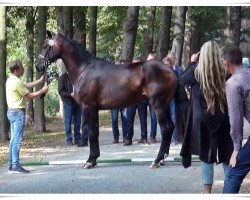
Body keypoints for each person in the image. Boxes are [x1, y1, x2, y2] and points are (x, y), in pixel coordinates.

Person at [179, 41, 233, 193]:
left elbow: (181, 80)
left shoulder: (196, 71)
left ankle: (207, 192)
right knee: (227, 153)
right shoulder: (225, 71)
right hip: (223, 117)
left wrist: (192, 62)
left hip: (202, 119)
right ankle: (229, 190)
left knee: (206, 155)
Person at [6, 59, 48, 174]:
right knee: (17, 140)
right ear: (16, 70)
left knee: (13, 139)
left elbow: (26, 85)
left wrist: (39, 81)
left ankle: (11, 164)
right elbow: (29, 95)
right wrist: (42, 90)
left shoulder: (11, 80)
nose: (23, 70)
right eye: (22, 68)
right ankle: (15, 165)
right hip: (18, 113)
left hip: (11, 112)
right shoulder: (16, 82)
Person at [223, 46, 250, 193]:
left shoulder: (233, 83)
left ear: (227, 63)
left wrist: (236, 149)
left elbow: (235, 119)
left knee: (234, 171)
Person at [124, 58, 148, 145]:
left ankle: (144, 137)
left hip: (141, 99)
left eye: (137, 64)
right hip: (131, 100)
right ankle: (128, 138)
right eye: (134, 64)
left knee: (143, 119)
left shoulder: (143, 74)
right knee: (129, 119)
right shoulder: (128, 75)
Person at [162, 52, 183, 144]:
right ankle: (166, 138)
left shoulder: (177, 71)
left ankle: (175, 137)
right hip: (163, 98)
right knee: (164, 118)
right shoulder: (160, 73)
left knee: (174, 117)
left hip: (173, 97)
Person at [58, 72, 82, 146]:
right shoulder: (63, 77)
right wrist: (70, 94)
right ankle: (69, 139)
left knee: (78, 122)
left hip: (78, 102)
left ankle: (77, 139)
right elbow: (61, 91)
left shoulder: (78, 75)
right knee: (68, 122)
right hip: (68, 102)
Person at [146, 53, 158, 143]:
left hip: (152, 97)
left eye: (152, 60)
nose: (150, 61)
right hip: (141, 98)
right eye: (149, 59)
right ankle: (143, 137)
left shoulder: (157, 72)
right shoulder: (141, 70)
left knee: (153, 117)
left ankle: (153, 136)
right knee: (143, 118)